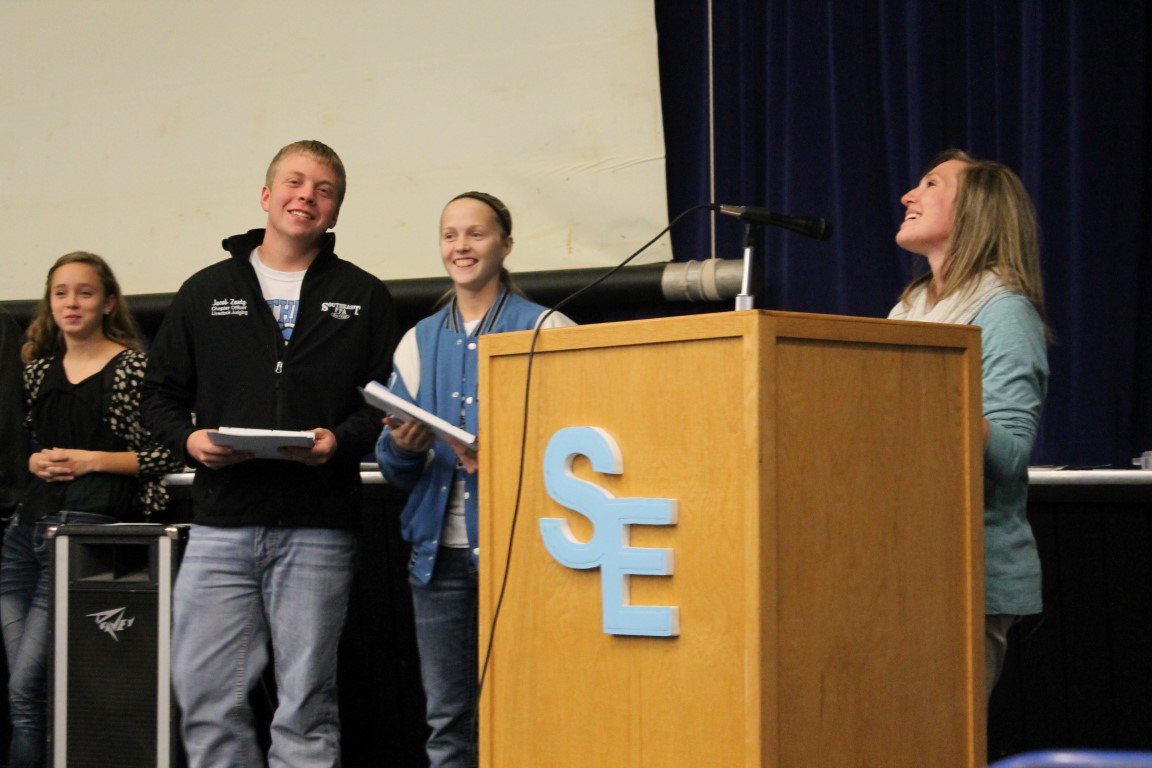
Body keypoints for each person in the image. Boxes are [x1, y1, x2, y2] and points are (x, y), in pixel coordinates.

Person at [142, 140, 398, 767]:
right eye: (294, 182)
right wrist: (190, 441)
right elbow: (159, 396)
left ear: (335, 212)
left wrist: (340, 441)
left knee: (305, 705)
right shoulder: (205, 290)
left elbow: (385, 403)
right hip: (221, 524)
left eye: (324, 190)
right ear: (266, 195)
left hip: (319, 526)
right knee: (204, 695)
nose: (306, 196)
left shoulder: (364, 295)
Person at [375, 191, 575, 767]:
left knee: (533, 713)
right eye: (450, 235)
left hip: (527, 557)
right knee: (448, 724)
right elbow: (392, 467)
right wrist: (403, 446)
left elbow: (585, 443)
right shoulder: (417, 339)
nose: (461, 246)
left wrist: (504, 456)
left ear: (505, 245)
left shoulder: (547, 328)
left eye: (476, 234)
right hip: (437, 562)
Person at [0, 252, 183, 768]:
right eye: (60, 293)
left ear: (108, 303)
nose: (71, 303)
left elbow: (168, 453)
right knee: (27, 694)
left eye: (84, 292)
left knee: (26, 688)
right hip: (24, 533)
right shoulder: (36, 373)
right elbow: (22, 446)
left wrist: (91, 460)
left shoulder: (132, 368)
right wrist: (33, 460)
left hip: (86, 536)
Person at [888, 149, 1050, 700]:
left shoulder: (1005, 312)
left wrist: (936, 394)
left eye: (930, 184)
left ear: (976, 211)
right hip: (899, 563)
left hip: (966, 576)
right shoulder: (909, 311)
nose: (908, 196)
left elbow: (1009, 456)